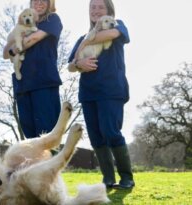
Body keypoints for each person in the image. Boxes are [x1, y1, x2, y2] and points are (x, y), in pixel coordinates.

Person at [67, 0, 135, 189]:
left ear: (109, 11)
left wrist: (86, 42)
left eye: (100, 7)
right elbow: (71, 65)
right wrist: (79, 64)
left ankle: (127, 178)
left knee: (110, 131)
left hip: (112, 90)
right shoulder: (82, 37)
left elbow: (111, 33)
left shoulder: (117, 25)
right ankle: (108, 179)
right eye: (92, 7)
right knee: (96, 136)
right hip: (89, 93)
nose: (95, 10)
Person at [3, 0, 63, 139]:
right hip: (23, 85)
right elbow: (5, 53)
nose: (39, 3)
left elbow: (33, 39)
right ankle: (34, 162)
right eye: (36, 0)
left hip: (44, 82)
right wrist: (12, 46)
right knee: (30, 138)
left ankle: (52, 160)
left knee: (47, 135)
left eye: (44, 0)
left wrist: (14, 48)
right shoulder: (22, 24)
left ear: (50, 3)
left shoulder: (52, 19)